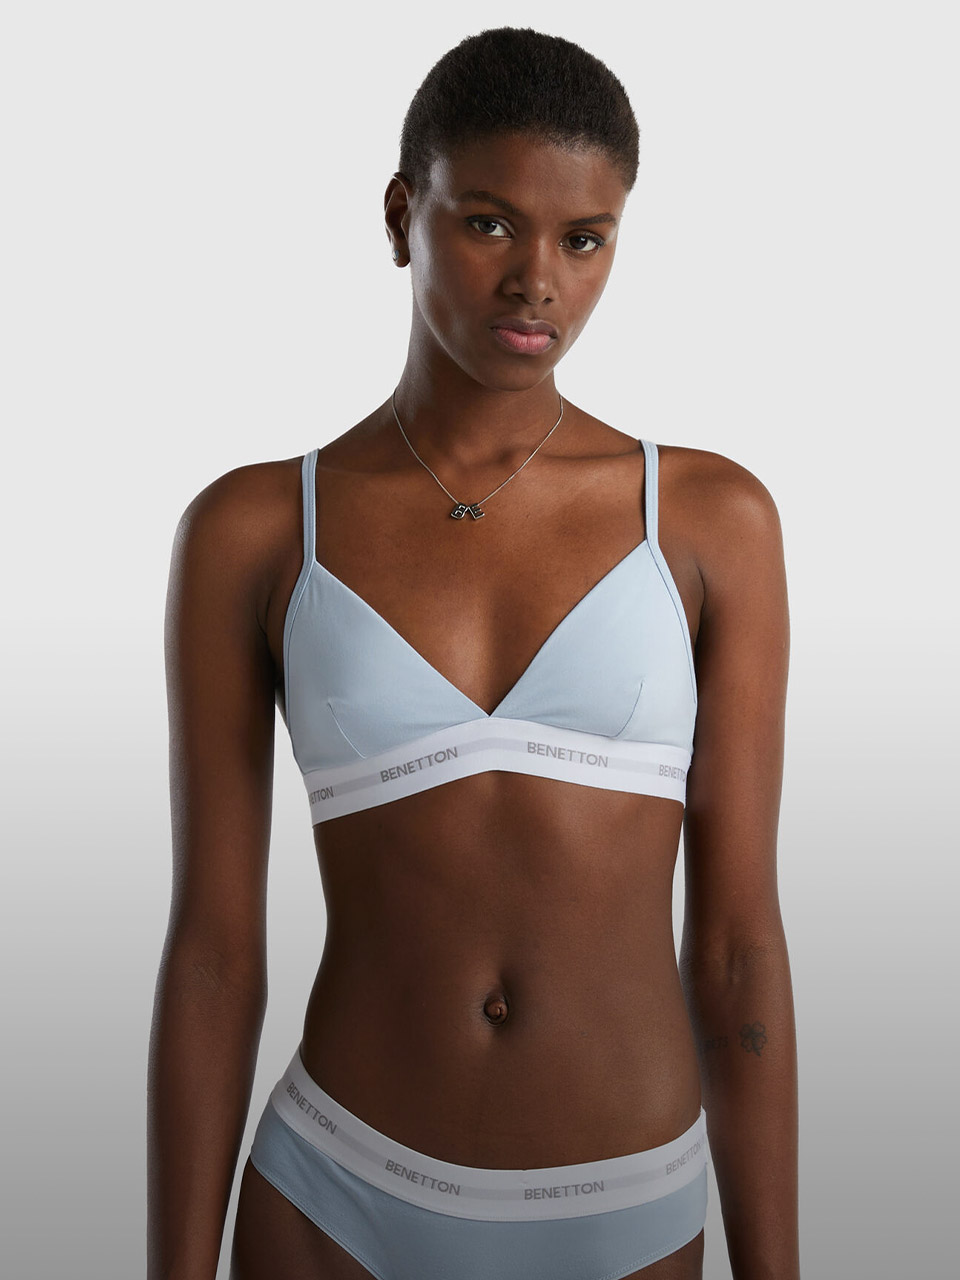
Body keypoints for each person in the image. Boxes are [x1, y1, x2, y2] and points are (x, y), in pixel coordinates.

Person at [147, 26, 799, 1280]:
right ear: (404, 215)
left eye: (584, 239)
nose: (537, 281)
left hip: (624, 1202)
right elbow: (214, 953)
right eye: (490, 224)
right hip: (334, 1191)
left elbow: (738, 947)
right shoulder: (257, 528)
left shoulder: (711, 520)